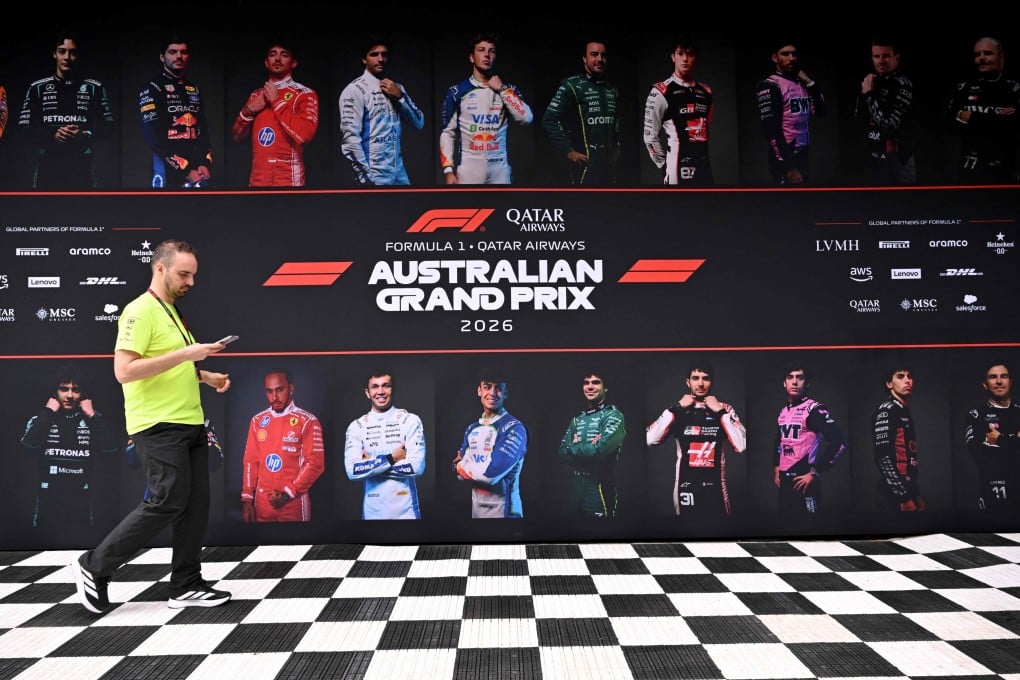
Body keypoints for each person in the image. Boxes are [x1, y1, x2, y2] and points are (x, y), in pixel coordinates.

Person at [71, 239, 232, 615]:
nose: (190, 281)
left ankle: (186, 585)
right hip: (158, 425)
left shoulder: (171, 312)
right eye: (183, 274)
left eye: (193, 274)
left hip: (189, 422)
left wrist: (205, 376)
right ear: (160, 269)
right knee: (166, 500)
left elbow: (171, 366)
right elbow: (124, 370)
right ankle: (95, 565)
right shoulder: (139, 311)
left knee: (195, 506)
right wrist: (189, 353)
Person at [20, 367, 120, 534]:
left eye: (76, 390)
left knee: (82, 538)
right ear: (55, 391)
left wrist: (93, 415)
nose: (70, 395)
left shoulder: (94, 419)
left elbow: (111, 450)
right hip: (47, 496)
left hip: (83, 497)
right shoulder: (41, 418)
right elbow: (27, 448)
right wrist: (47, 412)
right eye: (64, 389)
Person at [646, 361, 746, 517]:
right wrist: (676, 408)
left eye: (705, 378)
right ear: (688, 382)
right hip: (685, 488)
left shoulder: (725, 409)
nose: (700, 383)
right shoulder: (677, 410)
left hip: (716, 488)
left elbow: (741, 445)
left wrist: (720, 412)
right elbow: (650, 439)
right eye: (695, 378)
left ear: (711, 381)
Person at [17, 31, 114, 190]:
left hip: (82, 165)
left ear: (78, 55)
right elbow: (24, 127)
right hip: (48, 164)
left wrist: (85, 135)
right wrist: (52, 136)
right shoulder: (37, 88)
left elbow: (109, 126)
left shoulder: (94, 88)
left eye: (72, 52)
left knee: (84, 213)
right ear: (54, 54)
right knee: (45, 213)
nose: (67, 57)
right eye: (62, 51)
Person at [439, 32, 533, 184]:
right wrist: (448, 170)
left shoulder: (508, 89)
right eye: (481, 50)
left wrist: (502, 90)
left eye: (491, 51)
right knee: (471, 208)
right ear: (471, 57)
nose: (487, 55)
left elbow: (526, 118)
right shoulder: (457, 92)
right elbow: (447, 132)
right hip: (469, 169)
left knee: (503, 207)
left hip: (500, 168)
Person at [232, 40, 319, 187]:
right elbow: (237, 136)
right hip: (257, 180)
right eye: (273, 55)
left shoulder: (304, 94)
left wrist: (277, 101)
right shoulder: (256, 95)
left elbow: (305, 135)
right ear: (266, 62)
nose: (277, 59)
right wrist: (248, 111)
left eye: (284, 55)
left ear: (293, 63)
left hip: (289, 180)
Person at [241, 370, 324, 522]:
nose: (274, 397)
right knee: (264, 545)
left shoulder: (308, 421)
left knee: (296, 545)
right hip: (262, 505)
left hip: (293, 504)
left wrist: (288, 494)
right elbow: (250, 462)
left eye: (280, 390)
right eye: (269, 391)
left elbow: (315, 464)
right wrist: (247, 499)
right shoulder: (257, 421)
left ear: (291, 388)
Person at [339, 37, 425, 186]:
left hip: (399, 172)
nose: (380, 59)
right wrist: (365, 179)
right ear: (364, 59)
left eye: (384, 54)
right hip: (374, 175)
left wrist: (400, 96)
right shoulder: (355, 90)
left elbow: (419, 123)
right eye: (374, 54)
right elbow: (350, 141)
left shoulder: (397, 88)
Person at [344, 371, 426, 519]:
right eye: (375, 387)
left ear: (392, 389)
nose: (380, 392)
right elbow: (352, 471)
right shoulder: (356, 427)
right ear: (367, 393)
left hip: (407, 514)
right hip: (371, 514)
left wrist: (371, 465)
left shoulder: (410, 421)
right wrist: (392, 458)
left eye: (385, 386)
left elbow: (416, 467)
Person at [138, 34, 213, 188]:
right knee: (165, 211)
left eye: (183, 52)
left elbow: (203, 130)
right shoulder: (152, 88)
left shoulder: (194, 89)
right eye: (173, 52)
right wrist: (184, 169)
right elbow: (153, 137)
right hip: (166, 168)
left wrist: (205, 163)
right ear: (162, 57)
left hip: (196, 169)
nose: (179, 56)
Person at [541, 40, 620, 185]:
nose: (599, 59)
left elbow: (616, 122)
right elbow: (549, 119)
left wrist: (617, 147)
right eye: (594, 54)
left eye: (603, 55)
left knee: (609, 205)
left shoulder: (611, 89)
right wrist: (568, 151)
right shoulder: (571, 86)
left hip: (609, 166)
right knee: (583, 205)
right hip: (584, 165)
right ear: (585, 58)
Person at [773, 362, 848, 515]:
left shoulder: (813, 409)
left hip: (804, 482)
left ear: (806, 383)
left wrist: (815, 472)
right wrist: (776, 467)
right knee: (785, 527)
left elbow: (839, 442)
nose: (794, 382)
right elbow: (779, 441)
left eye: (799, 378)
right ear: (784, 383)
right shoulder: (784, 411)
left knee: (808, 528)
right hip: (784, 483)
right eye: (790, 377)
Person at [452, 371, 528, 517]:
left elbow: (490, 475)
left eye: (498, 388)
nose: (492, 393)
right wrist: (465, 469)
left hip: (505, 511)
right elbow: (459, 476)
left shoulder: (514, 428)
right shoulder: (471, 428)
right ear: (479, 391)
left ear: (505, 393)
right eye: (487, 387)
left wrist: (461, 466)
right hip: (476, 510)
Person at [945, 36, 1020, 184]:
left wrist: (971, 118)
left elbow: (1013, 124)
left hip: (1005, 172)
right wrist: (997, 119)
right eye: (977, 54)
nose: (981, 58)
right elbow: (949, 124)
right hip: (968, 172)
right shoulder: (963, 88)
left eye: (987, 53)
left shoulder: (1015, 89)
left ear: (1001, 56)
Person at [643, 35, 714, 185]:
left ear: (695, 57)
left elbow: (706, 128)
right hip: (676, 169)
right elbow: (649, 137)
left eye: (690, 54)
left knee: (708, 207)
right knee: (679, 208)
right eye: (680, 53)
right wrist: (664, 166)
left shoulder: (706, 92)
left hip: (704, 168)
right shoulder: (661, 92)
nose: (685, 59)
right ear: (673, 57)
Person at [755, 41, 826, 185]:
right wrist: (789, 167)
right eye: (785, 54)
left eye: (794, 54)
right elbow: (770, 129)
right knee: (788, 204)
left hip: (803, 153)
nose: (791, 58)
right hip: (784, 155)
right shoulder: (770, 84)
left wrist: (809, 81)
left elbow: (821, 111)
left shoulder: (802, 84)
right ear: (775, 58)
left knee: (804, 203)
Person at [557, 372, 626, 518]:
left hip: (599, 487)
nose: (590, 386)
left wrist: (573, 447)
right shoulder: (577, 419)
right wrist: (579, 449)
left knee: (600, 534)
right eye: (586, 382)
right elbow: (562, 452)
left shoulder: (613, 416)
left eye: (595, 382)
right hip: (575, 487)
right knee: (574, 533)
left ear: (605, 387)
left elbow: (597, 452)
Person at [854, 37, 917, 185]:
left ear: (896, 57)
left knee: (902, 205)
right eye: (877, 56)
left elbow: (889, 126)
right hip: (873, 157)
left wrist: (869, 94)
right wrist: (865, 92)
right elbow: (858, 116)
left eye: (886, 56)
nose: (881, 60)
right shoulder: (872, 81)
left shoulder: (902, 84)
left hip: (897, 160)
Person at [964, 362, 1020, 513]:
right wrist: (1016, 439)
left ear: (1010, 382)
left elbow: (997, 451)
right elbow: (980, 455)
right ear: (985, 384)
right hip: (995, 494)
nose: (999, 381)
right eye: (993, 377)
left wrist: (1000, 439)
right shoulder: (976, 416)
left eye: (1004, 376)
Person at [872, 367, 923, 511]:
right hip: (892, 493)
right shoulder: (886, 411)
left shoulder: (904, 411)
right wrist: (904, 497)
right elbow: (883, 457)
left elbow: (908, 456)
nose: (908, 381)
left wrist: (915, 493)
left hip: (909, 488)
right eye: (900, 376)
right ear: (889, 384)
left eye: (910, 376)